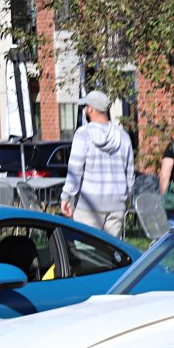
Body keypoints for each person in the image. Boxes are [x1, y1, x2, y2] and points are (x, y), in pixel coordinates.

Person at [59, 90, 135, 237]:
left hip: (88, 205)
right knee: (113, 254)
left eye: (85, 107)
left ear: (91, 109)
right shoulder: (123, 136)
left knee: (88, 254)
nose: (85, 110)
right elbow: (130, 174)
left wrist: (66, 196)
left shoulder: (83, 134)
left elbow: (75, 170)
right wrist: (126, 198)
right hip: (116, 203)